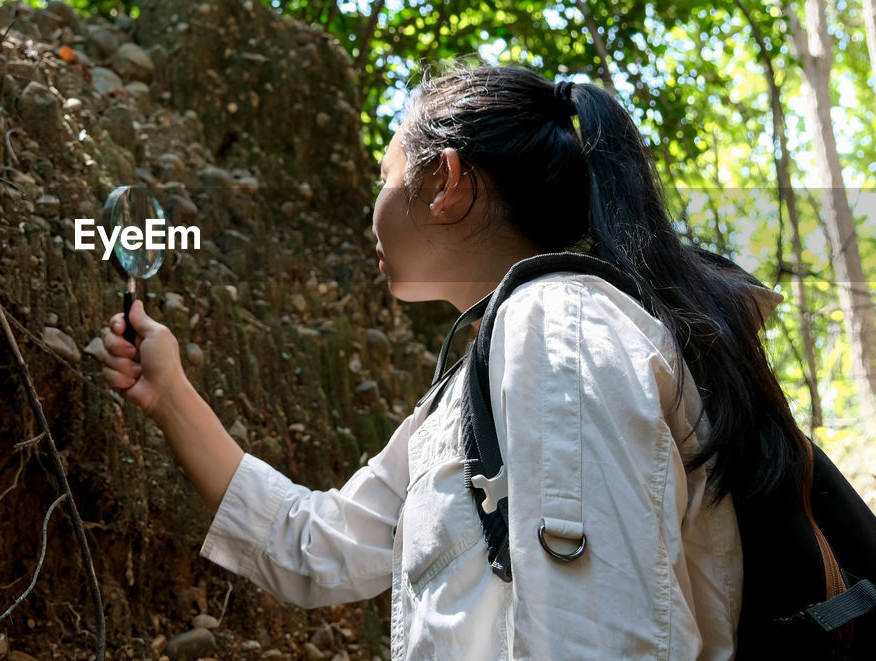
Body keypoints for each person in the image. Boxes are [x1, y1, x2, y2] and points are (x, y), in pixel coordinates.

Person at [99, 64, 807, 660]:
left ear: (448, 182)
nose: (372, 203)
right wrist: (171, 392)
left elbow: (601, 636)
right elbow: (313, 544)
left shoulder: (555, 328)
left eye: (387, 174)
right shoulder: (475, 385)